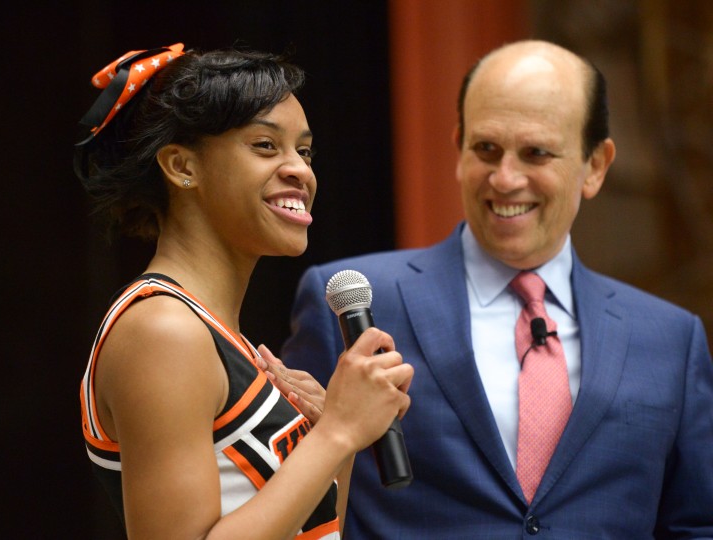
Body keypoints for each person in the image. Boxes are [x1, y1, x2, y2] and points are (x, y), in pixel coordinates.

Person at [280, 40, 713, 537]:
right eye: (486, 149)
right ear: (459, 149)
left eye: (536, 153)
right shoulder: (352, 304)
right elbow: (298, 505)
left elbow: (695, 525)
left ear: (596, 165)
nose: (505, 179)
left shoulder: (670, 340)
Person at [75, 42, 413, 540]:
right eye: (265, 146)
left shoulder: (212, 332)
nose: (300, 169)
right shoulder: (162, 330)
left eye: (304, 150)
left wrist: (334, 440)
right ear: (182, 167)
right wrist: (339, 430)